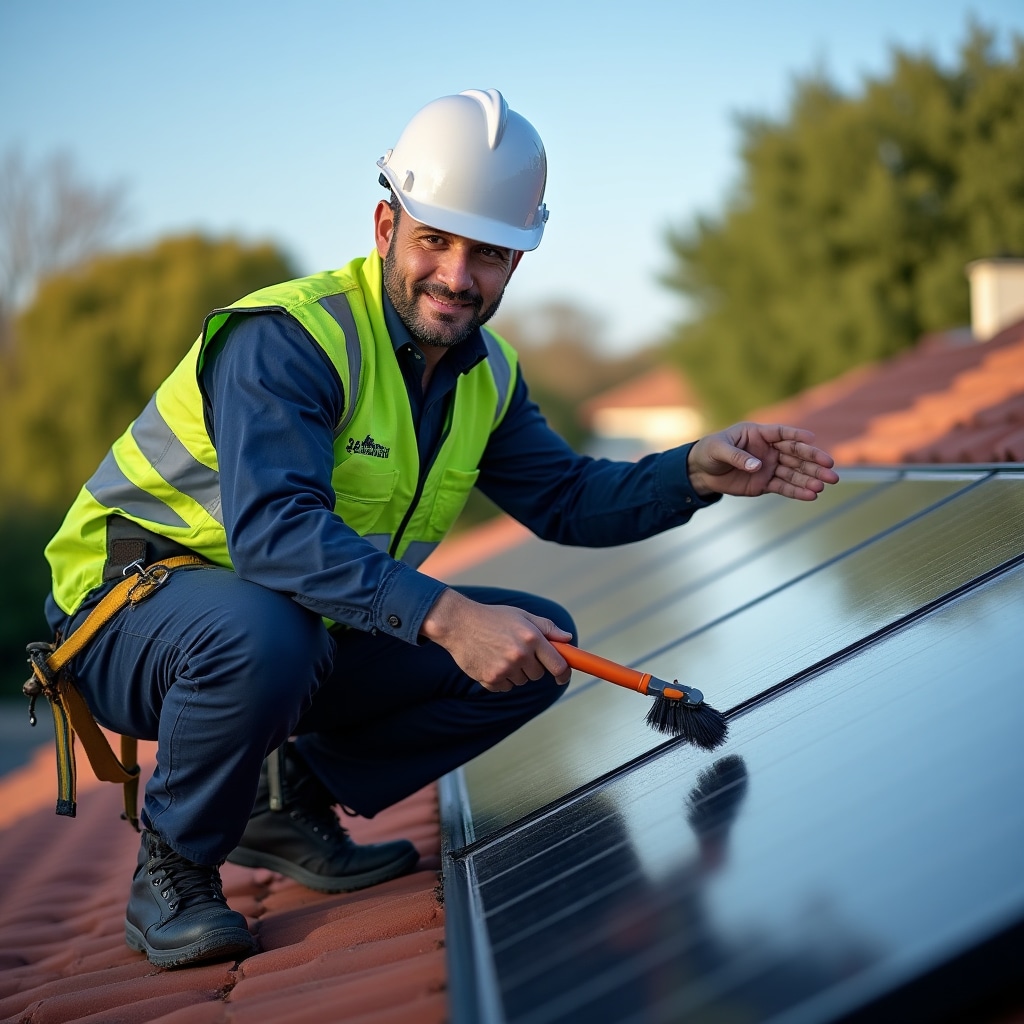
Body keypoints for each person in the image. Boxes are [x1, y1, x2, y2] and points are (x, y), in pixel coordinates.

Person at [41, 88, 839, 970]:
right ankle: (174, 869)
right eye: (436, 241)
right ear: (386, 226)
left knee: (539, 648)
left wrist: (693, 468)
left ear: (517, 262)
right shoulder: (290, 339)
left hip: (284, 628)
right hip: (126, 618)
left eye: (489, 253)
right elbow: (275, 537)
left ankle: (284, 798)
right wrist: (451, 617)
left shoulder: (485, 375)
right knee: (270, 632)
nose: (458, 276)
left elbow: (568, 497)